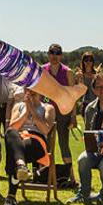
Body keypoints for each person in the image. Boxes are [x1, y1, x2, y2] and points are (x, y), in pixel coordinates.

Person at [3, 86, 56, 205]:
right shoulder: (18, 106)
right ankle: (21, 165)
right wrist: (26, 111)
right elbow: (13, 126)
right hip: (18, 138)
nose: (31, 92)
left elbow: (45, 130)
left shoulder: (48, 108)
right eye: (28, 89)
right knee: (10, 133)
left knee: (14, 150)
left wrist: (32, 109)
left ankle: (11, 195)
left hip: (37, 141)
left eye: (34, 89)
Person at [70, 74, 103, 204]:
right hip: (95, 149)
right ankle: (83, 193)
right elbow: (88, 132)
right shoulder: (89, 108)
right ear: (94, 90)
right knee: (82, 159)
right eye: (99, 87)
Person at [40, 44, 77, 184]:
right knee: (46, 145)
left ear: (61, 55)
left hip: (63, 112)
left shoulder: (68, 72)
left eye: (57, 53)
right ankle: (44, 177)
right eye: (52, 52)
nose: (54, 56)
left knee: (64, 144)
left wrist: (73, 116)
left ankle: (72, 178)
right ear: (48, 54)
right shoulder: (43, 70)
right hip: (46, 113)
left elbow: (73, 95)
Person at [75, 51, 100, 116]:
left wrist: (97, 77)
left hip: (98, 103)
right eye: (86, 60)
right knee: (87, 126)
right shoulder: (79, 75)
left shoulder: (97, 74)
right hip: (85, 103)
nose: (88, 62)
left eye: (90, 60)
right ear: (83, 61)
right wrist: (81, 79)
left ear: (93, 62)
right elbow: (81, 92)